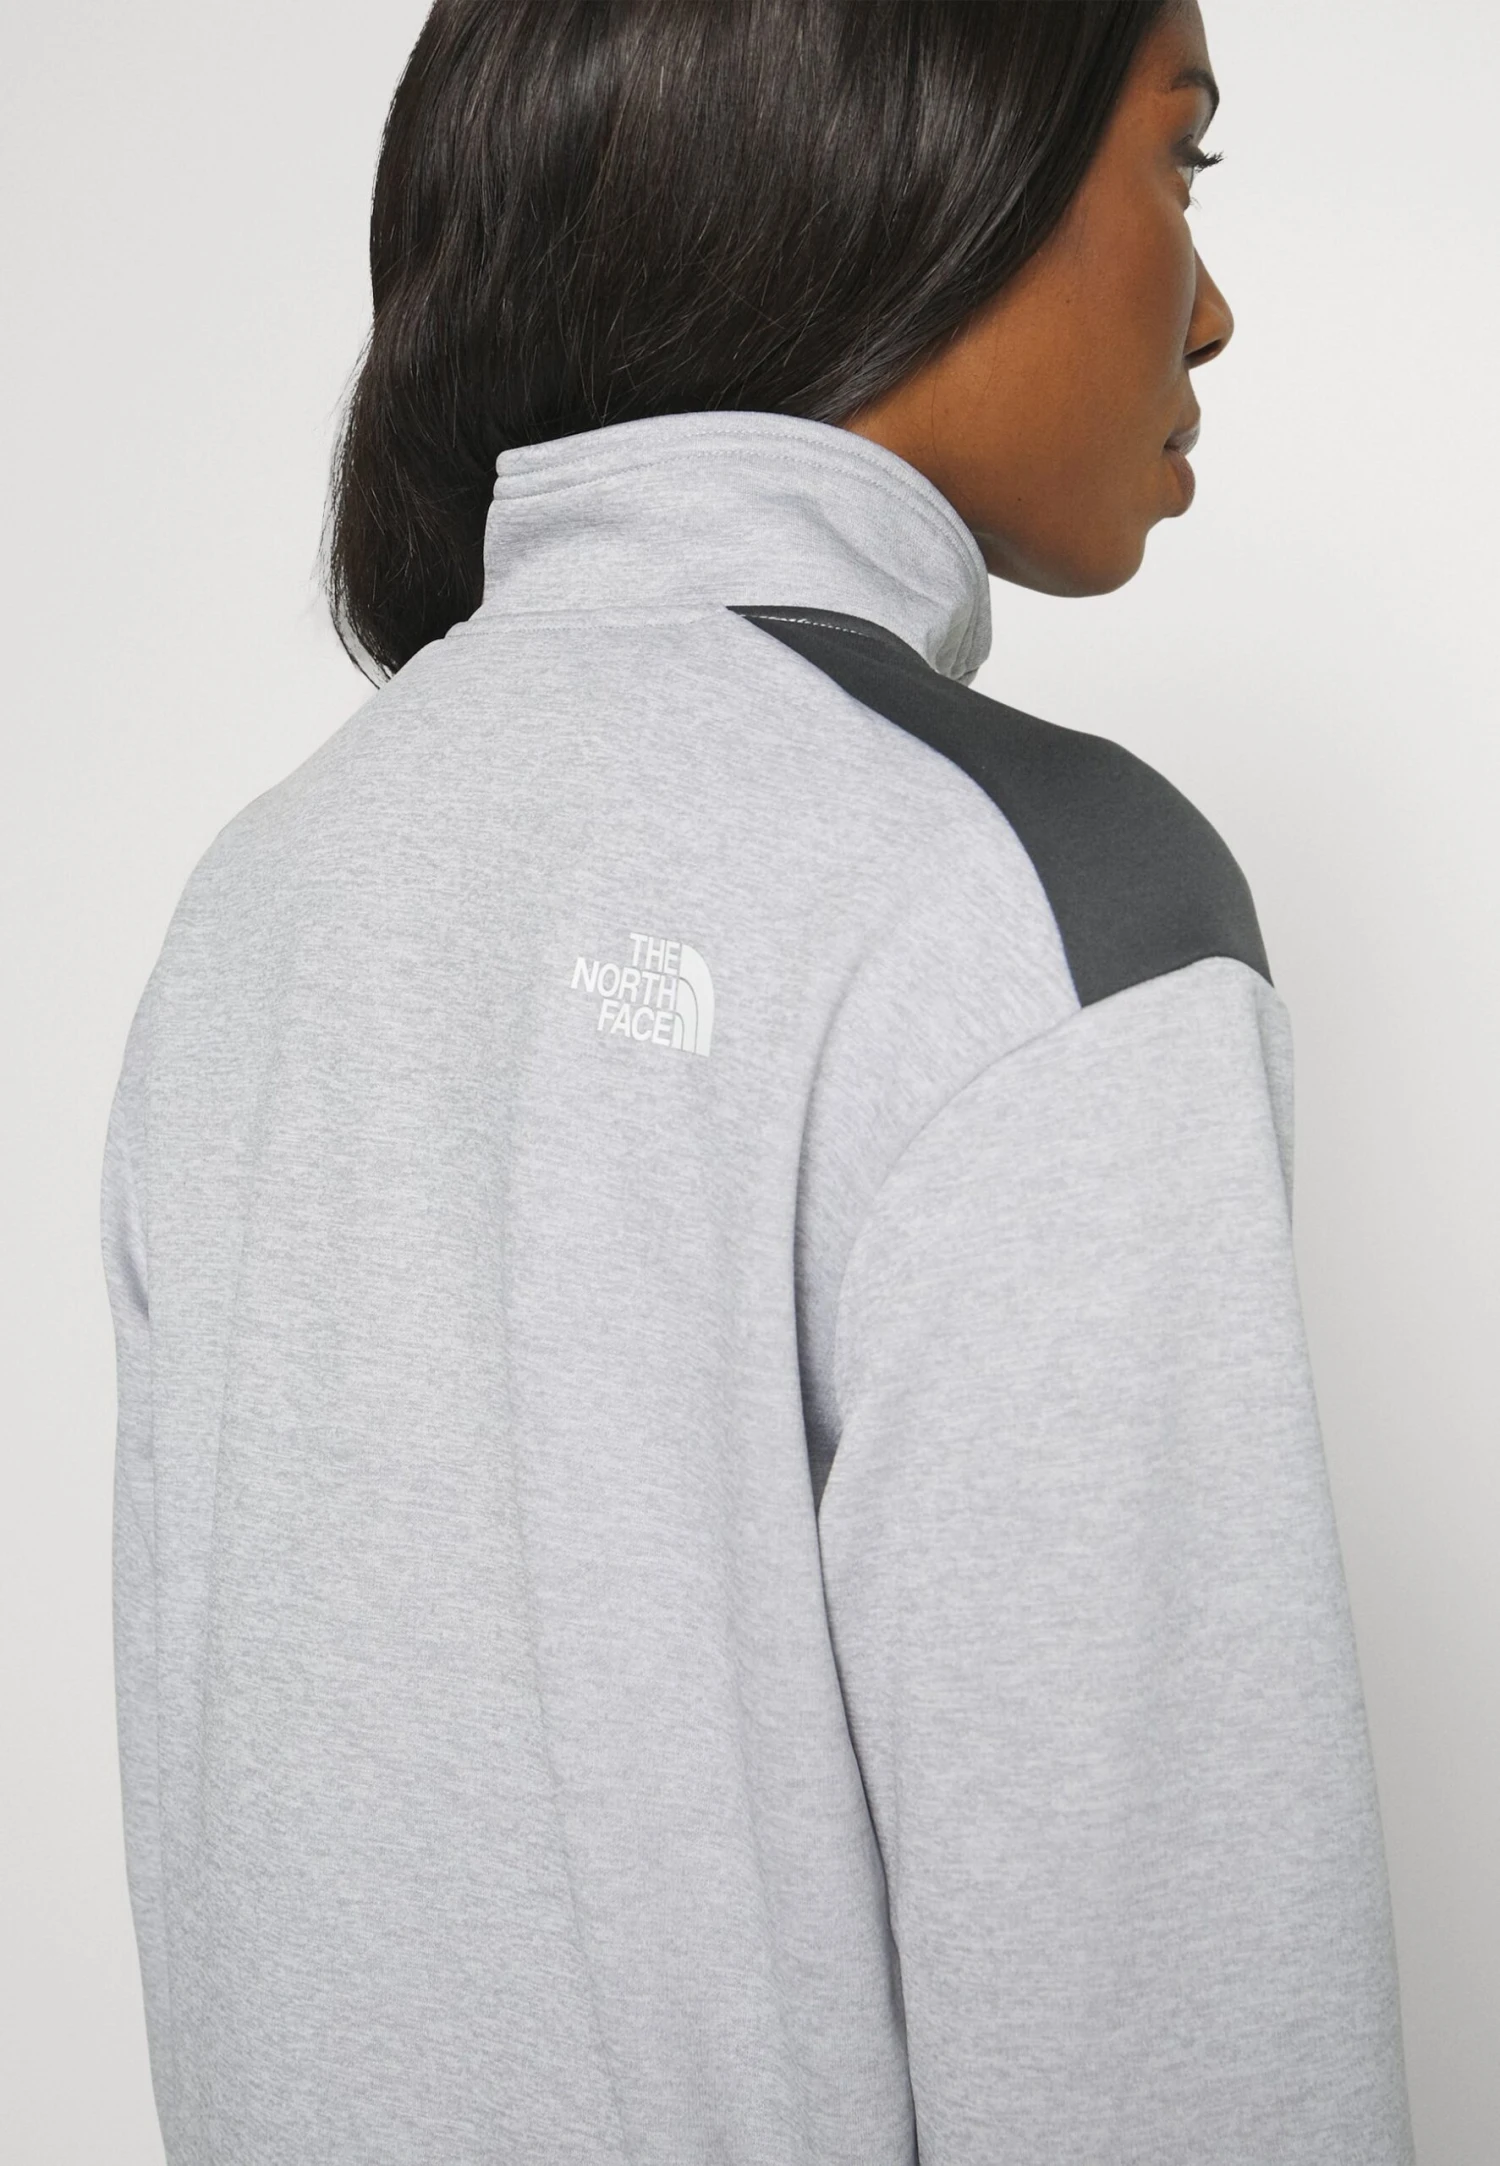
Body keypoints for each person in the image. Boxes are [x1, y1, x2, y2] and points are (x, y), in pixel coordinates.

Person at [101, 2, 1416, 2160]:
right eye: (1181, 161)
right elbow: (1178, 2045)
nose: (1211, 305)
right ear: (924, 156)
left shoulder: (262, 901)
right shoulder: (1022, 893)